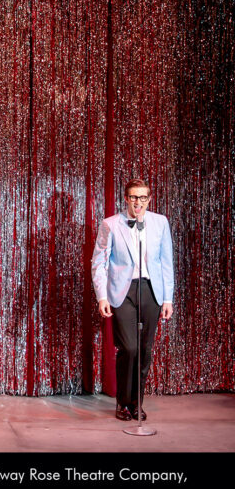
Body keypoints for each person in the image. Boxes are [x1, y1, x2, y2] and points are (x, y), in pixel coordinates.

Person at [91, 179, 174, 421]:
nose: (138, 202)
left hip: (151, 290)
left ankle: (137, 403)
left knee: (145, 350)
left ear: (149, 199)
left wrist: (167, 299)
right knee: (129, 348)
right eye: (134, 197)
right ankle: (123, 402)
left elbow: (166, 262)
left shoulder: (160, 222)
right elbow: (99, 262)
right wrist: (102, 296)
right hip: (122, 291)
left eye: (143, 197)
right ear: (126, 198)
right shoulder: (110, 224)